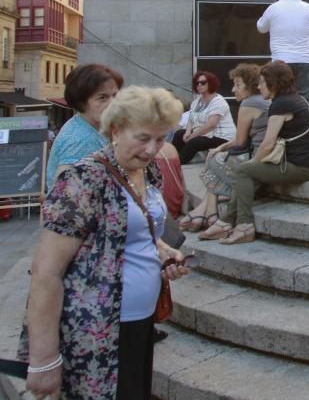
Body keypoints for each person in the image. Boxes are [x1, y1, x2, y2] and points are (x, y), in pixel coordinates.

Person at [20, 86, 189, 399]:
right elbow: (45, 272)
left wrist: (164, 252)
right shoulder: (83, 180)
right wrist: (43, 359)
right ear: (115, 130)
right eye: (142, 138)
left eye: (160, 138)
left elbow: (141, 233)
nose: (153, 149)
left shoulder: (147, 169)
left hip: (140, 318)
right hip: (96, 330)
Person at [199, 61, 309, 244]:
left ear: (273, 83)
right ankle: (224, 222)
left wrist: (253, 163)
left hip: (300, 167)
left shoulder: (281, 104)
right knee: (247, 171)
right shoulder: (294, 98)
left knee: (245, 170)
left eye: (262, 82)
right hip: (302, 163)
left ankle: (244, 226)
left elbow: (268, 144)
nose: (259, 86)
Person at [179, 64, 269, 233]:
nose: (233, 89)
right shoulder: (259, 101)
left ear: (249, 86)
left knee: (213, 159)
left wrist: (219, 148)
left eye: (237, 85)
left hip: (256, 160)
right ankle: (209, 213)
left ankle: (205, 213)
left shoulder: (249, 104)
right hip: (256, 155)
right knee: (214, 157)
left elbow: (240, 141)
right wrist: (220, 149)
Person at [46, 63, 123, 189]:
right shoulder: (80, 141)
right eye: (102, 97)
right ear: (81, 102)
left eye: (115, 95)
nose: (113, 103)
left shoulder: (88, 125)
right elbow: (66, 196)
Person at [256, 0, 309, 100]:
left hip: (281, 61)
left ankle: (283, 119)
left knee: (281, 96)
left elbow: (261, 28)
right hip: (304, 59)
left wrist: (274, 4)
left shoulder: (273, 8)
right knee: (303, 96)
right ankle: (304, 118)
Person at [170, 71, 236, 165]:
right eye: (197, 83)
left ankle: (177, 163)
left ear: (211, 83)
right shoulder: (196, 101)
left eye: (203, 82)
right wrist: (188, 131)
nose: (199, 85)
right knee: (179, 134)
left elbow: (211, 125)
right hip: (207, 135)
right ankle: (171, 159)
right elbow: (191, 119)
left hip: (221, 136)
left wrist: (191, 136)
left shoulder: (218, 101)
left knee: (195, 142)